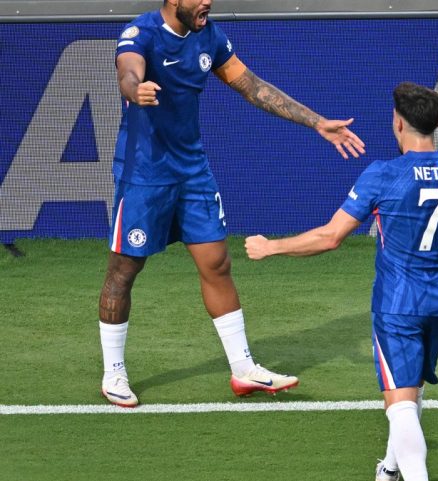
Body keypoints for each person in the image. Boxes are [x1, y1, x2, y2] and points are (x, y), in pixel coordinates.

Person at [244, 82, 438, 481]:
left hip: (397, 304)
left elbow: (331, 237)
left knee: (400, 404)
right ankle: (389, 469)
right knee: (411, 388)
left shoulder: (383, 174)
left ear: (398, 123)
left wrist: (272, 247)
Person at [99, 0, 366, 408]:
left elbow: (253, 87)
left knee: (217, 264)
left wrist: (316, 122)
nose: (206, 1)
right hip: (144, 174)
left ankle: (243, 369)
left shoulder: (210, 35)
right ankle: (113, 372)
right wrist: (137, 89)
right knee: (124, 269)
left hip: (192, 173)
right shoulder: (142, 33)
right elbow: (128, 71)